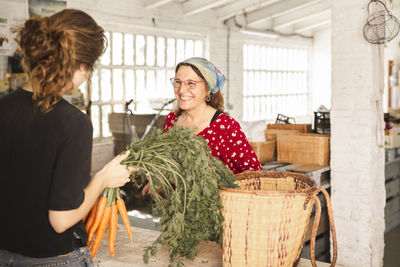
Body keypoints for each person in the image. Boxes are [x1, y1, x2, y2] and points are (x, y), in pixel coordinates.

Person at [0, 9, 133, 266]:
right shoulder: (74, 123)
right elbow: (61, 220)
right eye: (90, 66)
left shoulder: (3, 108)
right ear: (82, 66)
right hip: (51, 259)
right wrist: (103, 179)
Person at [163, 57, 262, 174]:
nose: (181, 90)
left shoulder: (225, 126)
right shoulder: (172, 119)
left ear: (208, 89)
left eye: (191, 83)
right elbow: (165, 162)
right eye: (178, 82)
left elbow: (254, 173)